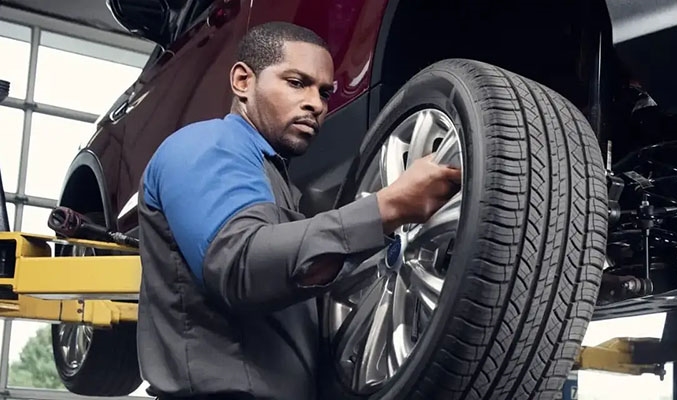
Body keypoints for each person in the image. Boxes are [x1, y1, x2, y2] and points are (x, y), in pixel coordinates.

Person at [136, 21, 461, 400]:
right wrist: (387, 207)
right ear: (243, 81)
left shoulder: (278, 184)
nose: (317, 104)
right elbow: (241, 264)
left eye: (324, 92)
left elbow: (304, 280)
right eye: (296, 83)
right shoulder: (206, 145)